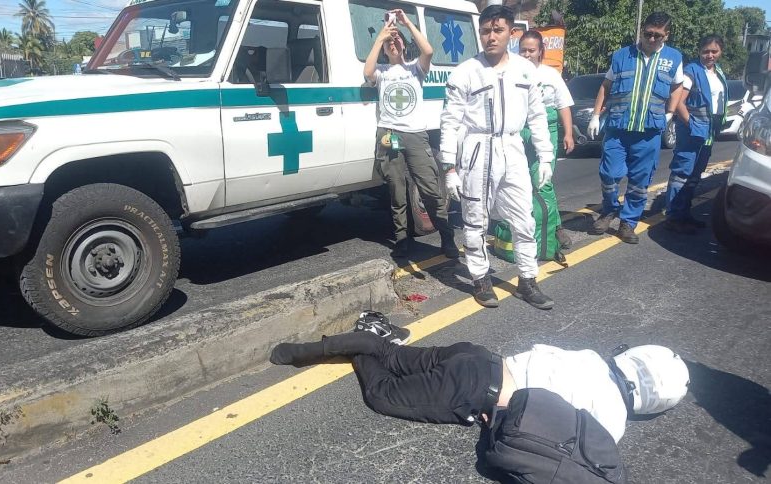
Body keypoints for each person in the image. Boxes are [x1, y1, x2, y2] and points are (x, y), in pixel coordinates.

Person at [269, 312, 691, 443]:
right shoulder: (612, 422)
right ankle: (360, 346)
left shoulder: (591, 358)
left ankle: (346, 344)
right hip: (473, 391)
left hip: (477, 357)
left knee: (395, 356)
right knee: (382, 393)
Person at [440, 5, 555, 310]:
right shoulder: (465, 71)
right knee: (475, 220)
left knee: (524, 219)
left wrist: (545, 155)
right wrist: (449, 167)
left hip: (513, 148)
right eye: (485, 31)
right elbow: (450, 121)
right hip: (477, 150)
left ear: (511, 33)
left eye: (498, 30)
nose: (491, 37)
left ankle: (528, 280)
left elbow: (538, 115)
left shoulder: (525, 70)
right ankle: (480, 278)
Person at [364, 9, 458, 259]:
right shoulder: (382, 71)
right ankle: (402, 239)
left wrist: (406, 23)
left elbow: (428, 51)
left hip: (415, 135)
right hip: (389, 135)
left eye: (397, 41)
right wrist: (381, 37)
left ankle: (447, 237)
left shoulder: (416, 69)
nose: (393, 44)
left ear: (405, 46)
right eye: (389, 43)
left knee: (430, 190)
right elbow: (367, 72)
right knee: (397, 191)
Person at [587, 12, 684, 244]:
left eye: (657, 36)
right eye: (648, 34)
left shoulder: (674, 58)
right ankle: (609, 209)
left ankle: (628, 222)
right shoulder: (622, 55)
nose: (652, 39)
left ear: (666, 35)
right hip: (618, 128)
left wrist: (670, 112)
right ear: (642, 31)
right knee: (609, 174)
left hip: (649, 131)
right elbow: (606, 85)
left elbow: (677, 86)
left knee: (640, 181)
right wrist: (595, 115)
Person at [663, 35, 728, 234]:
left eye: (714, 51)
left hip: (708, 131)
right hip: (692, 131)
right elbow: (678, 102)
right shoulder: (692, 71)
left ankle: (685, 214)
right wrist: (691, 124)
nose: (710, 55)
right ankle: (674, 216)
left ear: (720, 52)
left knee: (694, 175)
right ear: (699, 51)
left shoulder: (718, 72)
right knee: (682, 172)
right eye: (706, 51)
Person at [518, 30, 575, 249]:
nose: (526, 54)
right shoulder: (512, 73)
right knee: (520, 182)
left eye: (531, 50)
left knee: (543, 181)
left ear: (541, 51)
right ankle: (527, 226)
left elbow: (563, 105)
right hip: (520, 130)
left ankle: (555, 228)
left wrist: (568, 133)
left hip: (546, 130)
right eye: (523, 50)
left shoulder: (550, 75)